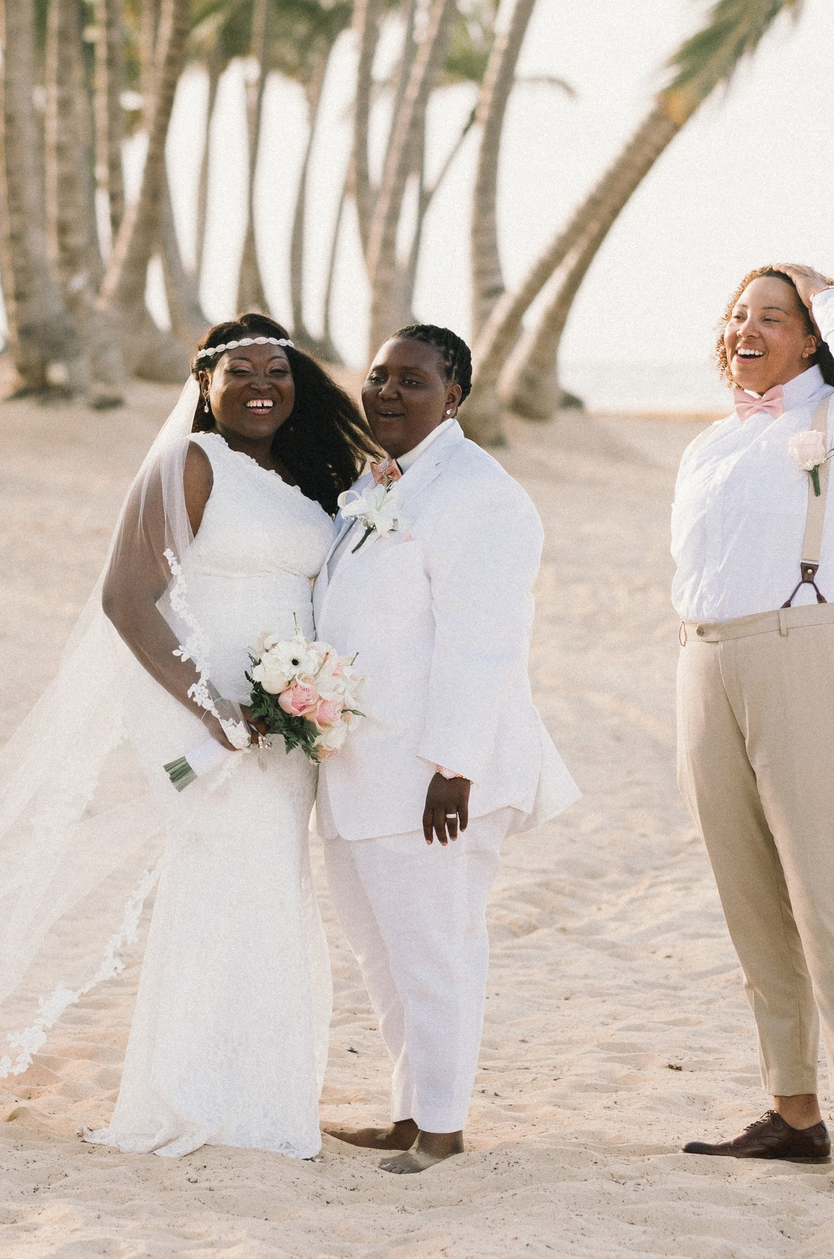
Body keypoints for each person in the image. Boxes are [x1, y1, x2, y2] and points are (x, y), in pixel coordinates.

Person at [90, 311, 381, 1158]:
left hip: (285, 726)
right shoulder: (192, 461)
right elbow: (125, 596)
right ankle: (192, 1098)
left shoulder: (304, 476)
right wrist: (215, 709)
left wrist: (307, 696)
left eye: (279, 370)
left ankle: (257, 1094)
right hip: (211, 721)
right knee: (225, 887)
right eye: (241, 371)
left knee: (267, 893)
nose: (263, 385)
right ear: (206, 386)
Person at [315, 324, 580, 1174]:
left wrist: (453, 768)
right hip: (365, 766)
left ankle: (443, 1128)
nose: (388, 392)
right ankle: (407, 1111)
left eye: (414, 380)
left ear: (454, 395)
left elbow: (484, 643)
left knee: (437, 952)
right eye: (380, 376)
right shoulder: (378, 482)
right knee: (383, 953)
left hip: (435, 774)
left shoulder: (479, 493)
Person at [668, 265, 834, 1192]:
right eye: (737, 314)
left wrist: (829, 288)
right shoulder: (706, 446)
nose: (746, 328)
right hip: (704, 658)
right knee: (748, 893)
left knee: (824, 892)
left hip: (810, 648)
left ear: (812, 340)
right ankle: (794, 1109)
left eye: (772, 316)